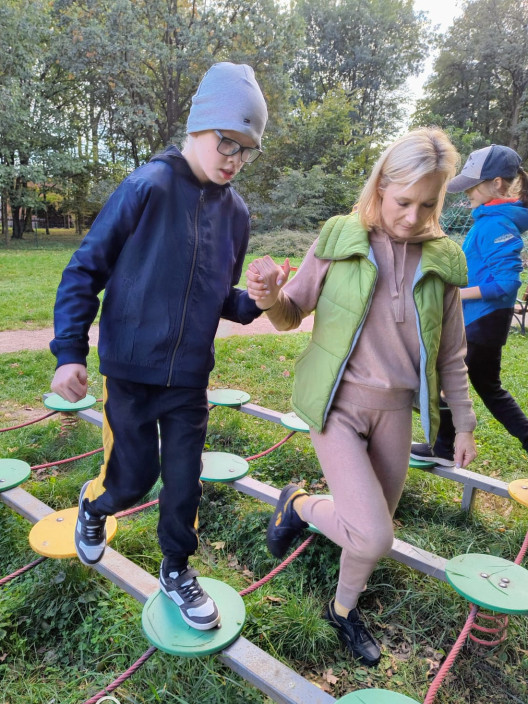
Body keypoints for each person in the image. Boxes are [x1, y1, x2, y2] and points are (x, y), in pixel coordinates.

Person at [246, 128, 477, 666]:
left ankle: (343, 610)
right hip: (338, 407)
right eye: (402, 202)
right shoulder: (339, 237)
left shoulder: (443, 260)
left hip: (396, 412)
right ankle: (299, 505)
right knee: (374, 536)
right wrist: (270, 296)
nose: (413, 217)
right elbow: (289, 315)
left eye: (428, 204)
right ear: (379, 187)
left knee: (367, 533)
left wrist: (463, 422)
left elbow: (451, 355)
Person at [49, 62, 268, 631]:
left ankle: (177, 569)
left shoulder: (237, 215)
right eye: (226, 141)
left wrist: (262, 299)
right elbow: (83, 270)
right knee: (133, 477)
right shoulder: (147, 186)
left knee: (184, 481)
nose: (233, 158)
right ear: (197, 128)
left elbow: (224, 298)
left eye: (246, 150)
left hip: (190, 379)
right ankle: (95, 508)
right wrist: (70, 351)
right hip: (130, 373)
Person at [410, 144, 528, 465]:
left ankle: (444, 445)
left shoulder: (497, 223)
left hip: (483, 323)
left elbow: (507, 283)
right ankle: (443, 445)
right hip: (479, 320)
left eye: (472, 187)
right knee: (486, 387)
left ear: (497, 185)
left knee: (440, 376)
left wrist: (458, 295)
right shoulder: (492, 218)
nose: (468, 195)